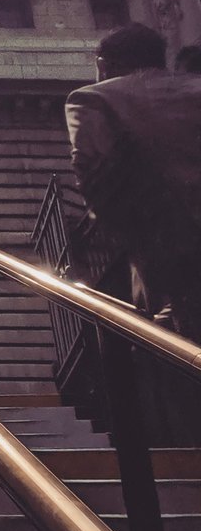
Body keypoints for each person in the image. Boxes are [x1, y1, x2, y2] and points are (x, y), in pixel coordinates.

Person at [65, 23, 201, 341]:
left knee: (166, 353)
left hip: (174, 256)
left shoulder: (93, 99)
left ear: (104, 65)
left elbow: (95, 180)